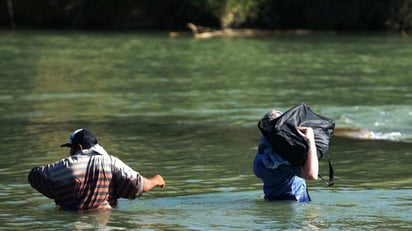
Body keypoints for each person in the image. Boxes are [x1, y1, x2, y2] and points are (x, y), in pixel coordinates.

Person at [28, 128, 166, 211]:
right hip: (105, 221)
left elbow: (34, 177)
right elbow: (138, 186)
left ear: (79, 148)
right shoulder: (112, 162)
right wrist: (156, 180)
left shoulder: (66, 166)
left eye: (71, 148)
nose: (70, 152)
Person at [253, 110, 318, 202]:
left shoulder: (262, 154)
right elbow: (312, 175)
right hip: (295, 204)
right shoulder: (284, 157)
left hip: (271, 201)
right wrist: (310, 141)